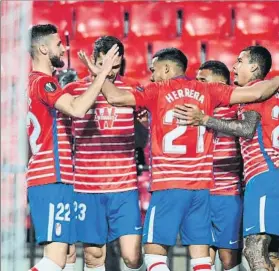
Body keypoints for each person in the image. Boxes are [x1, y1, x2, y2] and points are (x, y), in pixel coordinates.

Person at [82, 47, 279, 271]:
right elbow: (256, 93)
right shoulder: (208, 89)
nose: (152, 75)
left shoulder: (156, 90)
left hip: (169, 184)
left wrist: (100, 73)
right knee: (202, 258)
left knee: (154, 253)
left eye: (154, 70)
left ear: (166, 68)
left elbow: (115, 97)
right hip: (201, 188)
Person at [174, 46, 279, 271]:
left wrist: (205, 119)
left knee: (254, 248)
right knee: (273, 252)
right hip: (271, 173)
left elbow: (248, 128)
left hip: (263, 174)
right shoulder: (272, 93)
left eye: (240, 61)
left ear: (253, 67)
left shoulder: (252, 91)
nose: (234, 66)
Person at [27, 24, 119, 271]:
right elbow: (78, 109)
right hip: (51, 177)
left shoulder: (32, 83)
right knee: (54, 260)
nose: (63, 48)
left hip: (54, 178)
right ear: (43, 48)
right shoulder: (43, 83)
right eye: (58, 44)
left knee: (64, 258)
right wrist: (102, 74)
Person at [64, 36, 145, 271]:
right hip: (87, 187)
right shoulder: (74, 90)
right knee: (93, 256)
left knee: (132, 257)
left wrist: (142, 125)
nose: (109, 72)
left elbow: (141, 141)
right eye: (104, 65)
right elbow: (64, 140)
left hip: (124, 188)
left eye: (115, 66)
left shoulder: (132, 89)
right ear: (93, 60)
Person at [195, 61, 243, 271]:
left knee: (228, 258)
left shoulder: (236, 108)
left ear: (222, 83)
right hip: (200, 194)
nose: (197, 85)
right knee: (202, 257)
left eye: (202, 80)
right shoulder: (193, 108)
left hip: (228, 192)